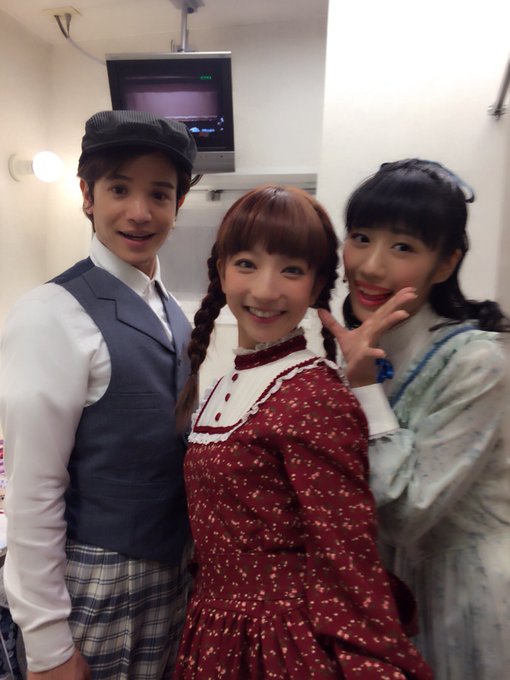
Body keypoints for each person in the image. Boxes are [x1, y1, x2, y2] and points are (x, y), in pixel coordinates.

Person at [172, 185, 432, 679]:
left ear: (316, 286)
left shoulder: (315, 396)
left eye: (291, 270)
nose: (265, 290)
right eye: (246, 263)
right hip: (215, 629)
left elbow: (347, 555)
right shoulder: (227, 383)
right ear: (221, 270)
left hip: (282, 643)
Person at [0, 110, 197, 679]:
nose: (139, 212)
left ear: (178, 205)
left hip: (172, 573)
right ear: (87, 195)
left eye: (159, 194)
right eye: (119, 189)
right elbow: (32, 489)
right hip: (95, 580)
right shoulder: (50, 313)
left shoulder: (173, 310)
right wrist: (47, 645)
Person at [320, 158, 510, 680]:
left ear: (445, 264)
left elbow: (406, 513)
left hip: (470, 596)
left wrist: (362, 386)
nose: (370, 266)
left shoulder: (478, 361)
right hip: (391, 597)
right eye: (361, 238)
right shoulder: (364, 347)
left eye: (403, 247)